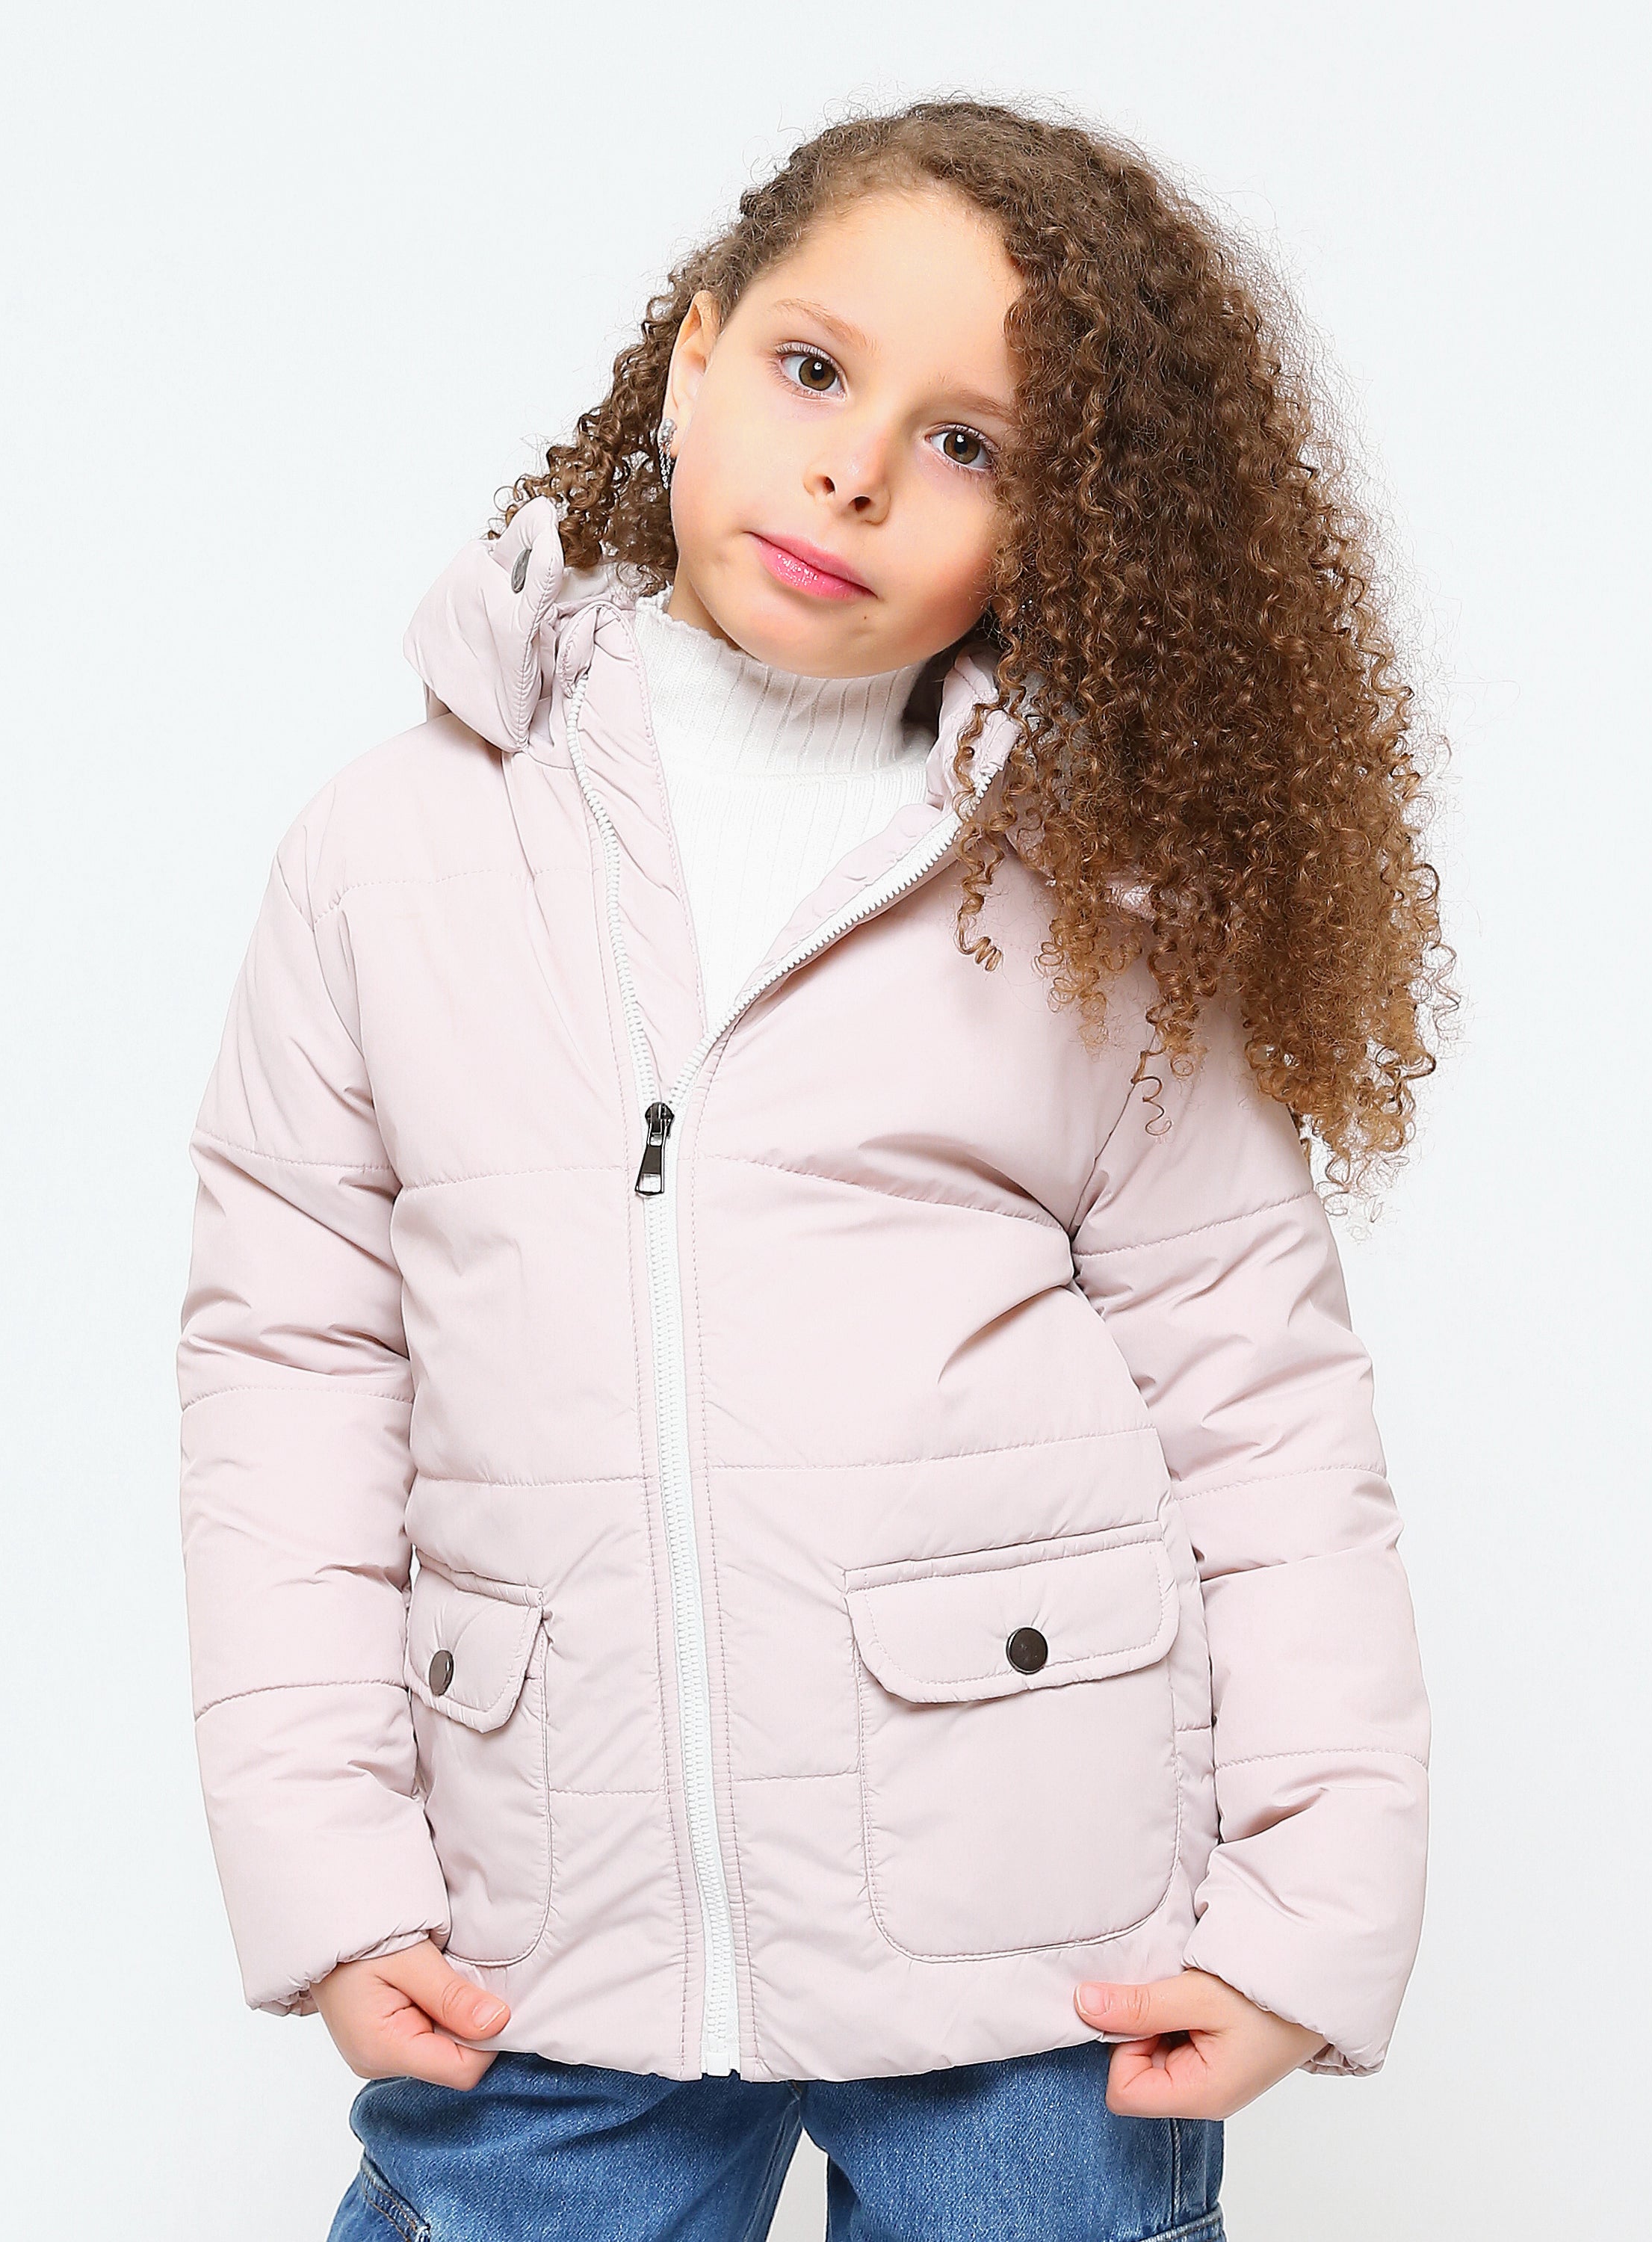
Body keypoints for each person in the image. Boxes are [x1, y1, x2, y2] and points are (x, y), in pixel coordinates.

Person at [176, 97, 1447, 2242]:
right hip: (544, 1916)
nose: (856, 468)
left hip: (1032, 1935)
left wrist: (1311, 1902)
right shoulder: (388, 855)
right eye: (811, 368)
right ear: (693, 358)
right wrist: (326, 1868)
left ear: (1057, 535)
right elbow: (288, 1374)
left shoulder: (1094, 900)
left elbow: (1262, 1401)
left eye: (967, 445)